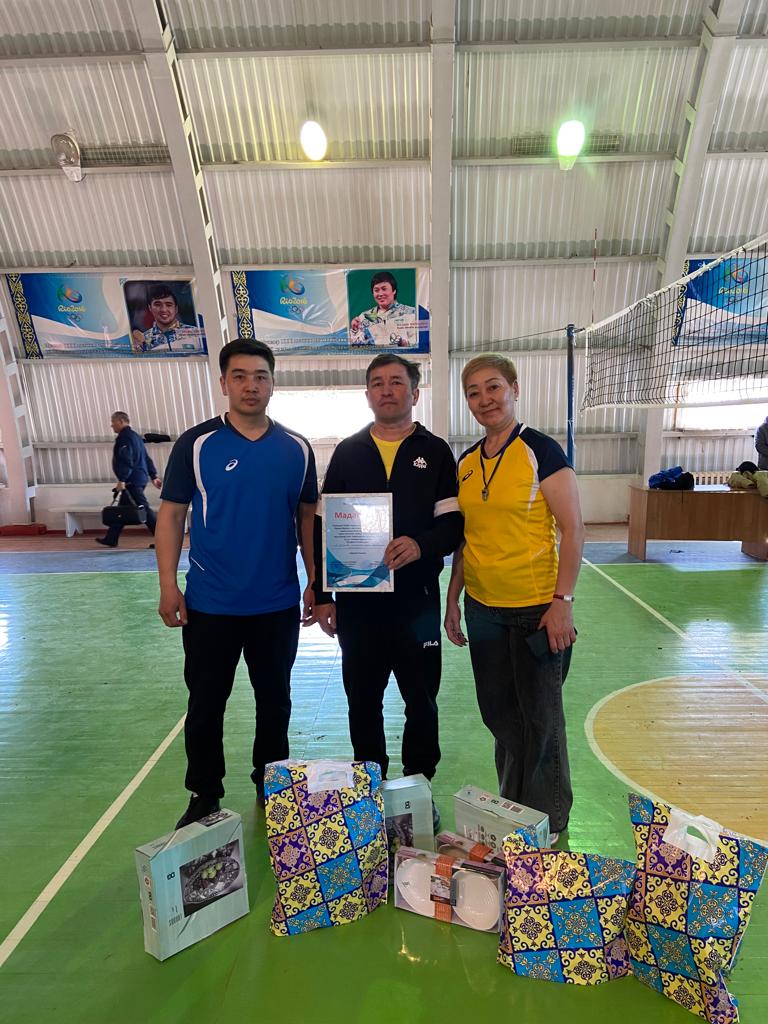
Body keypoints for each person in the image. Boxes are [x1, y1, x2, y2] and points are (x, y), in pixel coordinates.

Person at [155, 339, 318, 828]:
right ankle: (204, 793)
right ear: (224, 382)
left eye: (261, 376)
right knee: (206, 705)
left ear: (273, 383)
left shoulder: (296, 448)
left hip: (276, 604)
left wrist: (316, 582)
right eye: (241, 376)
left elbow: (306, 519)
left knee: (276, 703)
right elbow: (171, 516)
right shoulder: (196, 444)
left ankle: (272, 788)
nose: (251, 385)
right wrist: (168, 585)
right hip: (210, 604)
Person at [310, 354, 463, 829]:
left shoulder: (435, 452)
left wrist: (420, 545)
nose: (386, 390)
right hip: (359, 606)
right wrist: (322, 593)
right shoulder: (348, 452)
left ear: (414, 393)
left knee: (422, 700)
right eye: (377, 383)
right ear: (367, 395)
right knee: (362, 700)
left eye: (396, 382)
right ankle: (370, 787)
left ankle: (419, 787)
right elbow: (323, 526)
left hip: (417, 603)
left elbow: (453, 525)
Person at [444, 355, 584, 845]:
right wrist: (453, 598)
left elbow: (573, 529)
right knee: (501, 716)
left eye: (494, 387)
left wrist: (562, 601)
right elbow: (466, 539)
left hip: (536, 610)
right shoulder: (466, 463)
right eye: (474, 392)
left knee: (541, 721)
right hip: (484, 609)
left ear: (514, 389)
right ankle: (513, 808)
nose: (485, 399)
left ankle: (549, 823)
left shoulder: (541, 451)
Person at [96, 411, 161, 548]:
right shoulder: (136, 437)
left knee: (143, 509)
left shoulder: (124, 438)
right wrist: (153, 476)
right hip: (139, 477)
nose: (111, 425)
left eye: (113, 422)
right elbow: (146, 458)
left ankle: (164, 540)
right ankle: (111, 538)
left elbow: (126, 460)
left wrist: (122, 479)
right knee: (122, 508)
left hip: (132, 479)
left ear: (121, 421)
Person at [350, 271, 418, 348]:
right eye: (376, 290)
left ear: (394, 290)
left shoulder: (411, 313)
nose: (380, 294)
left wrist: (404, 344)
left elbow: (419, 343)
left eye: (384, 289)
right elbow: (356, 347)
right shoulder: (365, 317)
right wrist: (355, 330)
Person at [132, 284, 201, 354]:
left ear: (176, 309)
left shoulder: (195, 334)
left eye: (169, 305)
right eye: (157, 304)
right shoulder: (142, 340)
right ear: (150, 308)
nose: (164, 310)